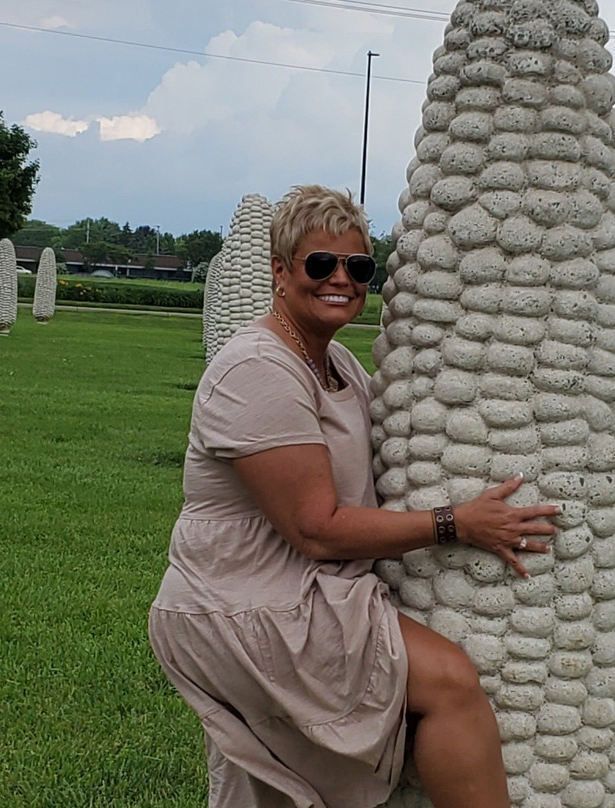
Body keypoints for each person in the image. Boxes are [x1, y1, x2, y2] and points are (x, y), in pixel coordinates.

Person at [149, 185, 557, 808]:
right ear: (280, 272)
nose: (341, 279)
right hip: (248, 601)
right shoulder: (257, 370)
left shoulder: (334, 359)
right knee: (448, 682)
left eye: (358, 267)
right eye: (320, 264)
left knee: (269, 787)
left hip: (306, 589)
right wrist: (457, 523)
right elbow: (315, 527)